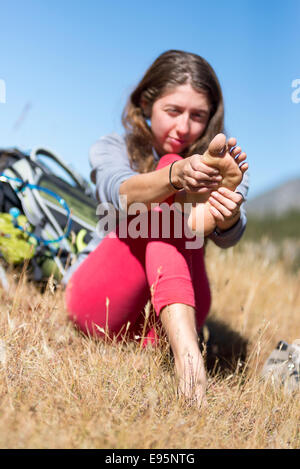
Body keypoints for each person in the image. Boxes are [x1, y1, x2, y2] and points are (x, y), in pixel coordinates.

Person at [64, 50, 249, 407]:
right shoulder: (112, 147)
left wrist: (226, 217)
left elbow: (232, 238)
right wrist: (174, 176)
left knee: (187, 200)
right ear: (147, 103)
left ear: (211, 118)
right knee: (168, 179)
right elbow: (118, 193)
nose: (184, 127)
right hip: (102, 302)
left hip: (166, 316)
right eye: (173, 111)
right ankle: (189, 357)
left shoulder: (219, 160)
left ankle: (197, 216)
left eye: (198, 116)